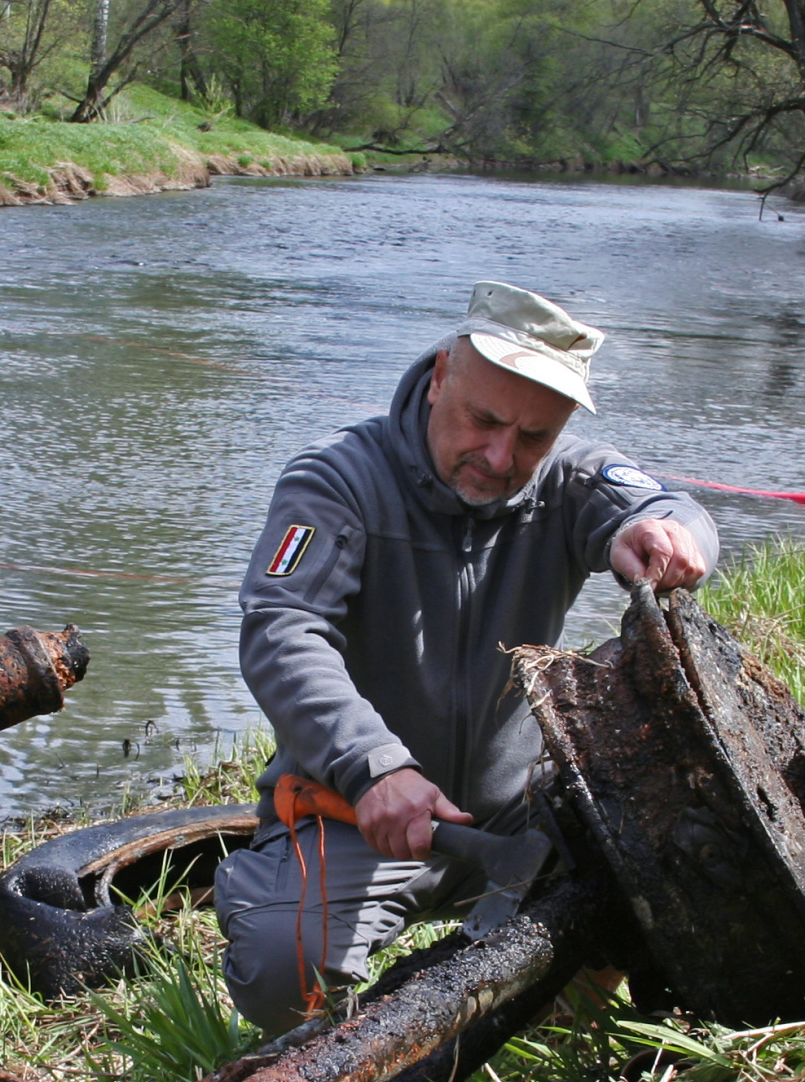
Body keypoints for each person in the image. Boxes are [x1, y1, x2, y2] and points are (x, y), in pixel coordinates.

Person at [215, 280, 718, 1032]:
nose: (499, 454)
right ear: (440, 375)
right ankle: (312, 1033)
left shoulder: (570, 479)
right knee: (280, 964)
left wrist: (667, 537)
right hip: (353, 806)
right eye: (482, 419)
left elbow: (666, 508)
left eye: (532, 437)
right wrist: (375, 765)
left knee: (676, 861)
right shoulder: (337, 482)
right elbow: (281, 631)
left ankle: (555, 1018)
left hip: (524, 814)